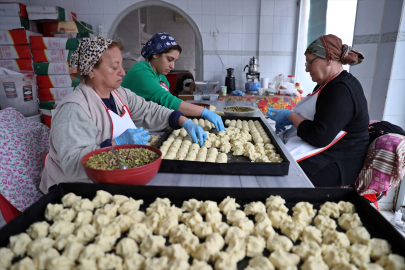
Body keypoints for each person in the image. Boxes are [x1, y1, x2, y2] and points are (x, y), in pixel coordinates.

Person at [40, 37, 207, 193]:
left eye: (121, 65)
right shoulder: (74, 109)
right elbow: (72, 164)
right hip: (77, 191)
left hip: (117, 176)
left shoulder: (119, 94)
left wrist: (182, 120)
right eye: (114, 67)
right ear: (91, 71)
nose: (122, 72)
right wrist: (116, 144)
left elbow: (149, 110)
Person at [268, 34, 369, 187]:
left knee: (278, 174)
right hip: (324, 151)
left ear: (329, 59)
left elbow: (319, 136)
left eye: (310, 63)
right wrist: (291, 120)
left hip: (337, 161)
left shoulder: (341, 90)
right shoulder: (327, 84)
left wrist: (291, 117)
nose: (306, 69)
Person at [121, 32, 225, 131]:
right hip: (133, 127)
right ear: (155, 54)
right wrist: (204, 112)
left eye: (175, 61)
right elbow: (167, 100)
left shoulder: (161, 76)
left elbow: (166, 105)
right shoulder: (141, 72)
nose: (172, 66)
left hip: (151, 126)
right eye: (169, 59)